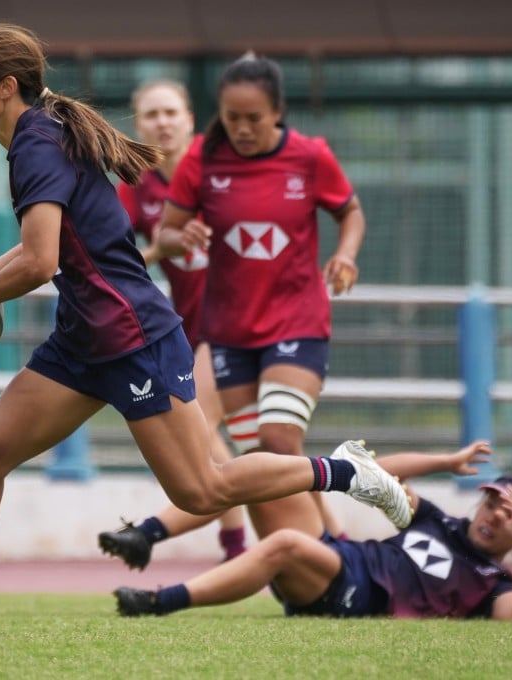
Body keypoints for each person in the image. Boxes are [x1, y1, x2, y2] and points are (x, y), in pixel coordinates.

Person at [0, 22, 410, 637]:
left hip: (132, 336)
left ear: (6, 87)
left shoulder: (36, 146)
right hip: (82, 339)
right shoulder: (38, 137)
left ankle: (349, 472)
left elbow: (41, 262)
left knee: (203, 490)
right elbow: (48, 248)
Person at [149, 53, 364, 544]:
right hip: (228, 332)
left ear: (277, 111)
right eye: (232, 118)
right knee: (256, 464)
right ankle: (308, 558)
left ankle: (329, 535)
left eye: (254, 118)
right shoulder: (203, 158)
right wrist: (183, 238)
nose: (242, 129)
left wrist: (346, 255)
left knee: (280, 441)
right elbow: (167, 234)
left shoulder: (310, 156)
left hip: (298, 321)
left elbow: (350, 212)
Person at [114, 440, 512, 620]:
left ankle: (158, 602)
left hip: (357, 594)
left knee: (286, 545)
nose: (494, 515)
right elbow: (377, 474)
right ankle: (146, 535)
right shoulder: (441, 522)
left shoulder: (495, 583)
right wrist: (446, 462)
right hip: (341, 556)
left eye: (509, 516)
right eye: (493, 502)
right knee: (263, 473)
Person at [114, 79, 246, 563]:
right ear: (137, 125)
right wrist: (161, 246)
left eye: (171, 112)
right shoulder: (139, 187)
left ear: (191, 119)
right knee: (252, 445)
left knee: (202, 429)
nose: (162, 123)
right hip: (189, 330)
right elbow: (118, 257)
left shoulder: (222, 172)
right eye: (151, 115)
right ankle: (309, 541)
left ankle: (188, 539)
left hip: (240, 324)